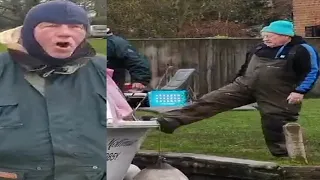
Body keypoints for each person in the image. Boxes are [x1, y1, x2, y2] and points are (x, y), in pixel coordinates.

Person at [156, 20, 320, 157]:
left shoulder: (302, 49)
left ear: (286, 36)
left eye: (270, 36)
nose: (266, 38)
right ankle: (170, 120)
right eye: (264, 35)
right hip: (245, 85)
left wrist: (300, 91)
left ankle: (285, 154)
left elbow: (312, 71)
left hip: (278, 92)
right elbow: (245, 67)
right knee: (211, 100)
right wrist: (234, 83)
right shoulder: (259, 48)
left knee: (275, 120)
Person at [0, 1, 106, 179]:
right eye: (51, 25)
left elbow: (124, 129)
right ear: (28, 31)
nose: (65, 32)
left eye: (76, 26)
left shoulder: (102, 70)